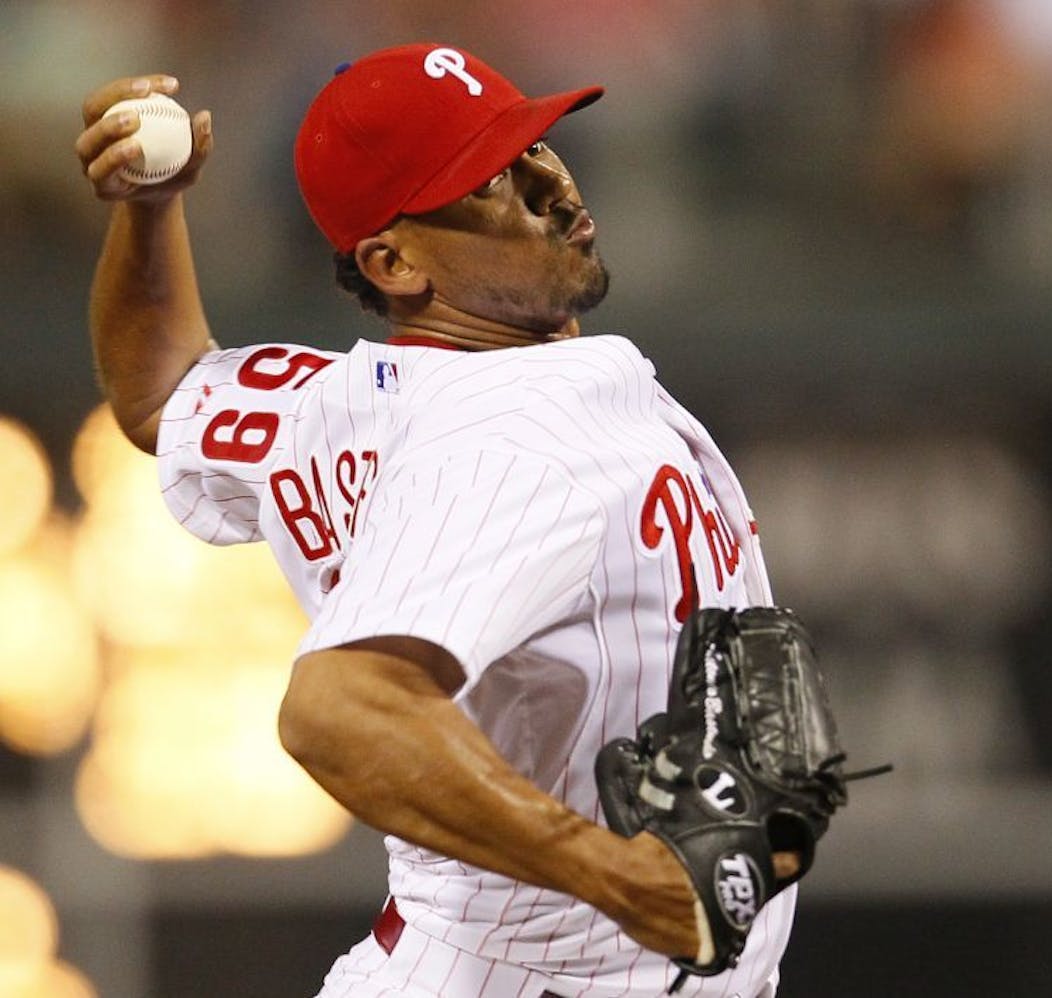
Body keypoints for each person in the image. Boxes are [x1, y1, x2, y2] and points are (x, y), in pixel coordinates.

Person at [76, 42, 801, 998]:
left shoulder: (337, 401)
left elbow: (161, 390)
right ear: (393, 260)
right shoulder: (517, 439)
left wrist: (148, 211)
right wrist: (614, 874)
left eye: (535, 142)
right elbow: (340, 709)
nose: (547, 183)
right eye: (488, 181)